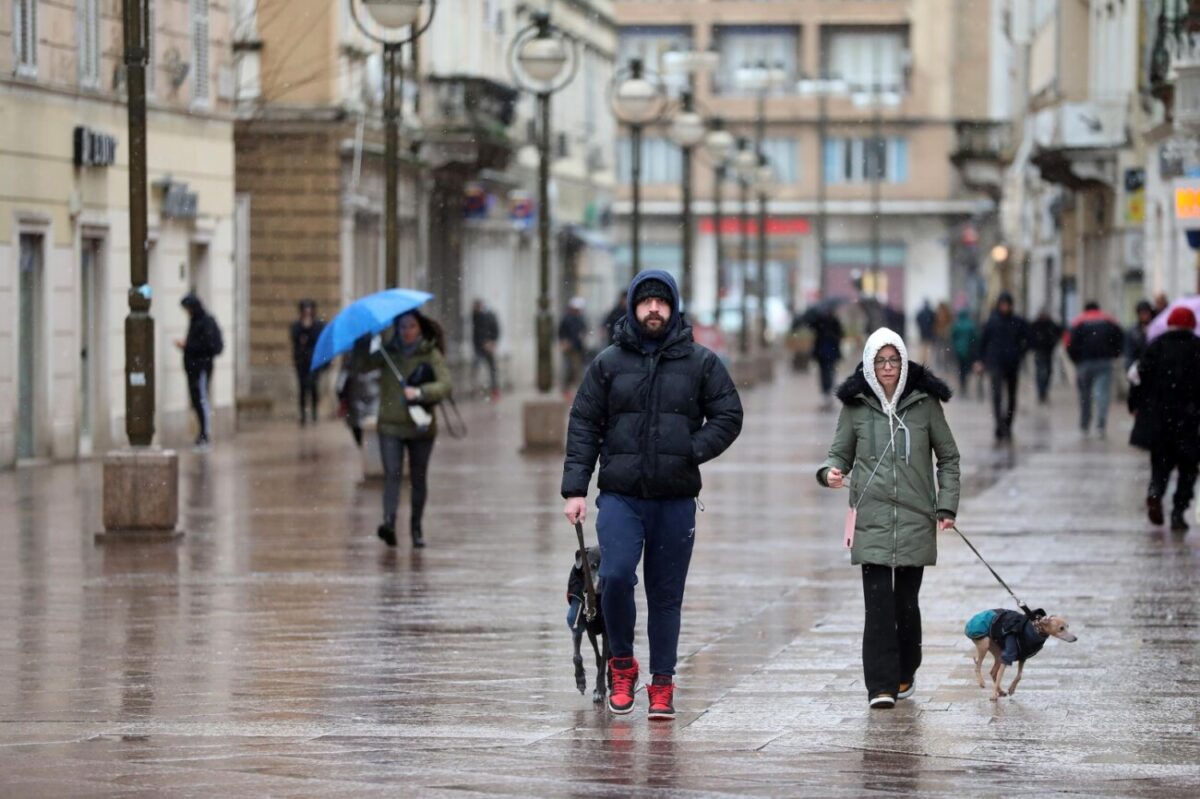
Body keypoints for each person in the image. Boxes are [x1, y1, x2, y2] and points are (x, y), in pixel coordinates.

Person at [562, 270, 743, 720]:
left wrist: (692, 449)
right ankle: (622, 664)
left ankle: (662, 682)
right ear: (633, 308)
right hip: (621, 495)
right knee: (617, 577)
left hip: (675, 498)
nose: (654, 309)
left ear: (674, 307)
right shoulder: (607, 363)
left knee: (666, 595)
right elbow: (584, 423)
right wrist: (575, 489)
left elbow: (729, 413)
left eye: (662, 302)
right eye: (646, 302)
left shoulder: (701, 362)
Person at [818, 328, 960, 709]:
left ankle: (905, 670)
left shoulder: (926, 404)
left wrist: (946, 506)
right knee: (878, 605)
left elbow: (948, 457)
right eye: (880, 361)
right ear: (868, 364)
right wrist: (829, 472)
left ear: (903, 360)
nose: (887, 368)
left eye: (893, 360)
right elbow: (838, 454)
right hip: (872, 518)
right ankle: (879, 686)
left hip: (916, 518)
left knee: (906, 605)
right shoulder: (856, 406)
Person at [353, 311, 452, 549]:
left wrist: (420, 392)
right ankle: (388, 523)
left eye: (411, 326)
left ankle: (416, 528)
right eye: (402, 326)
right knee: (392, 475)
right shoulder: (388, 353)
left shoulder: (430, 353)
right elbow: (361, 366)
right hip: (390, 425)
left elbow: (445, 385)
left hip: (421, 426)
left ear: (419, 328)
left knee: (418, 479)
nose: (406, 331)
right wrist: (362, 342)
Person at [1128, 306, 1200, 532]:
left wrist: (1134, 404)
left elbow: (1138, 376)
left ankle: (1155, 491)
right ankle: (1178, 511)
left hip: (1160, 418)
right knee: (1188, 467)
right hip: (1190, 419)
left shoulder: (1156, 346)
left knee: (1160, 462)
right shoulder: (1197, 348)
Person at [1064, 301, 1124, 437]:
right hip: (1104, 362)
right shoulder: (1108, 320)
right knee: (1102, 394)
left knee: (1085, 396)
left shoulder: (1078, 322)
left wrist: (1076, 359)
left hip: (1084, 363)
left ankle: (1085, 424)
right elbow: (1120, 337)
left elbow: (1068, 343)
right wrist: (1115, 353)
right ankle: (1101, 424)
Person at [976, 292, 1030, 441]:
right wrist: (980, 360)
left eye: (1007, 304)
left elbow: (1029, 338)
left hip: (1012, 363)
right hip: (995, 363)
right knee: (997, 396)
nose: (1005, 307)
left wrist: (1020, 353)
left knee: (1012, 397)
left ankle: (1008, 424)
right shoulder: (992, 322)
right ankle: (1000, 425)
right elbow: (982, 342)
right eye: (1002, 304)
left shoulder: (1018, 321)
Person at [176, 293, 223, 449]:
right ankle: (202, 434)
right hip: (193, 368)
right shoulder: (195, 321)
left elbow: (208, 347)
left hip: (201, 368)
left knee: (202, 399)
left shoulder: (205, 322)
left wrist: (187, 347)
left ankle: (205, 434)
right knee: (197, 400)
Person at [290, 299, 325, 425]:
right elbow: (295, 340)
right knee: (302, 388)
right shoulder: (296, 325)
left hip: (314, 361)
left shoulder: (317, 325)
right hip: (301, 362)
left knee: (313, 386)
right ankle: (303, 414)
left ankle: (314, 412)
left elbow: (316, 340)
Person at [806, 305, 844, 407]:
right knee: (825, 372)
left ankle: (828, 389)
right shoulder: (819, 321)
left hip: (830, 351)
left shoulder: (833, 321)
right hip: (822, 352)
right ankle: (826, 390)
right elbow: (812, 328)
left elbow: (840, 334)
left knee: (829, 371)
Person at [1029, 310, 1063, 404]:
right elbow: (1029, 336)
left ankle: (1043, 393)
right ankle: (1041, 393)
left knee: (1047, 373)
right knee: (1041, 373)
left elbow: (1059, 332)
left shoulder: (1050, 324)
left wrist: (1053, 342)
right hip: (1039, 352)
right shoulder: (1036, 325)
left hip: (1048, 352)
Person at [471, 299, 501, 400]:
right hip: (480, 347)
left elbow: (494, 330)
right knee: (481, 368)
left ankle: (493, 390)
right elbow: (477, 333)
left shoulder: (488, 316)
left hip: (487, 346)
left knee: (491, 369)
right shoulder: (475, 316)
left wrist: (491, 342)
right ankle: (480, 390)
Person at [558, 296, 589, 396]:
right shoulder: (567, 319)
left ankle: (576, 390)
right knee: (570, 369)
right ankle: (566, 389)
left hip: (578, 348)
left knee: (577, 369)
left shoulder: (579, 319)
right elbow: (561, 333)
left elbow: (583, 330)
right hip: (570, 348)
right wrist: (564, 342)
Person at [950, 309, 978, 395]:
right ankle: (965, 383)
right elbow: (975, 338)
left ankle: (962, 384)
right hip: (968, 350)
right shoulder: (971, 325)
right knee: (966, 368)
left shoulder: (957, 325)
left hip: (959, 350)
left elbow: (952, 336)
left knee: (961, 368)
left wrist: (955, 345)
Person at [1125, 300, 1156, 370]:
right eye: (1142, 313)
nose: (1144, 316)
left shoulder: (1156, 330)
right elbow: (1129, 353)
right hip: (1139, 366)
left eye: (1146, 313)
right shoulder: (1132, 332)